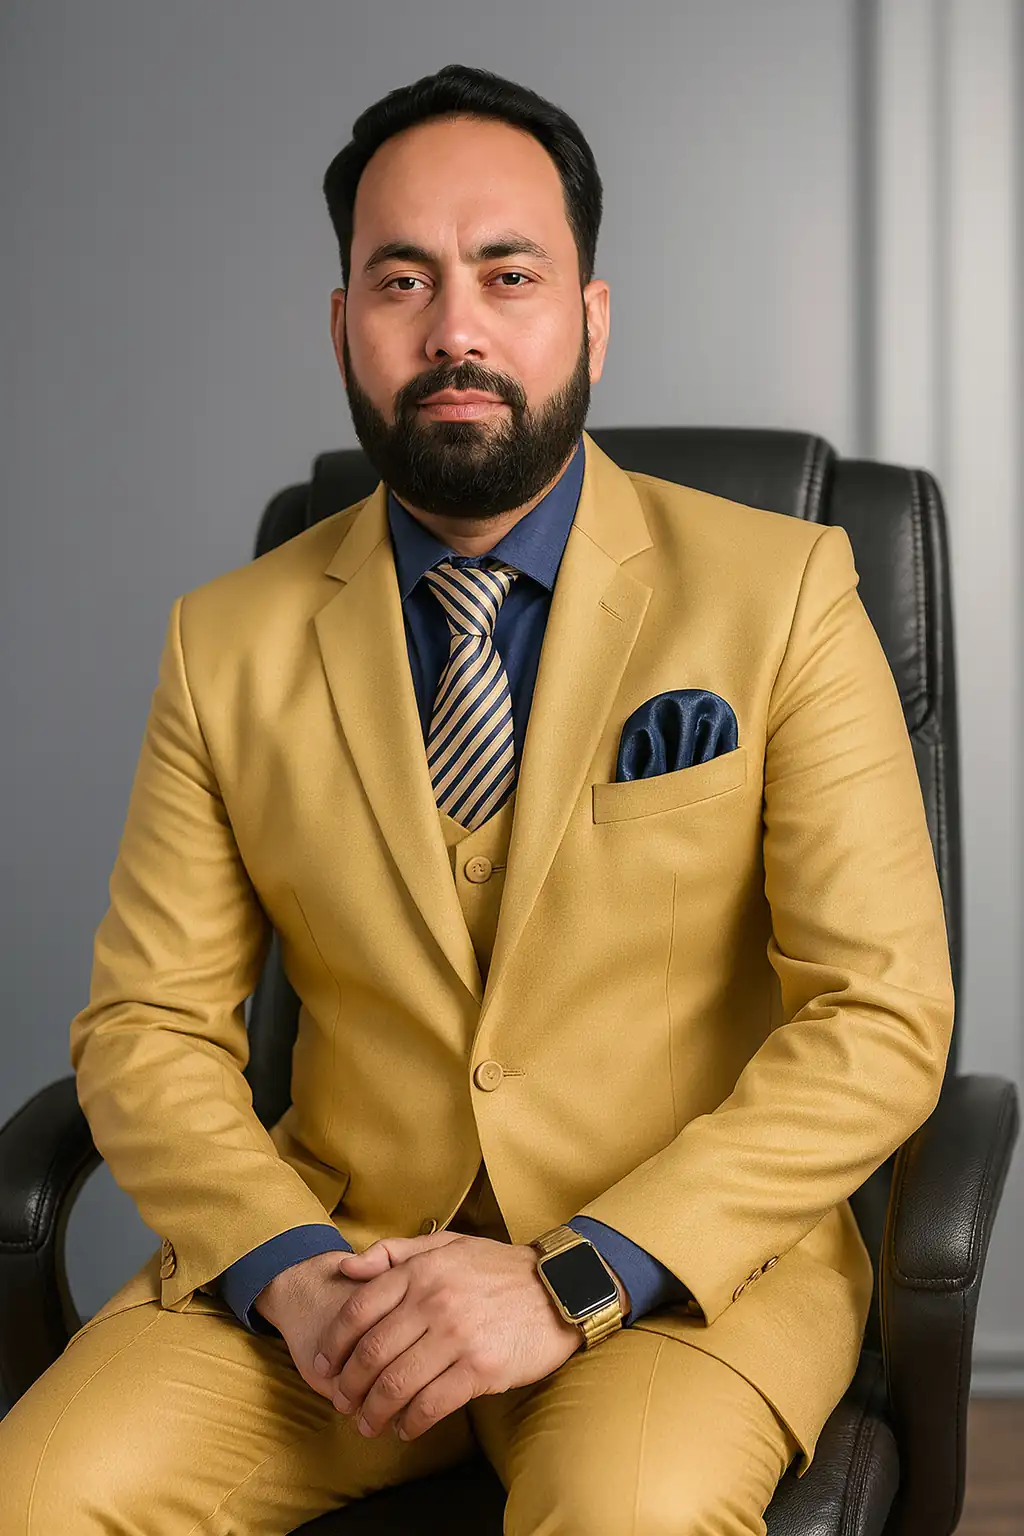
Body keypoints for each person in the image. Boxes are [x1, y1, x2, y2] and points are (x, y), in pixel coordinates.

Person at [0, 61, 954, 1535]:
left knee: (629, 1511)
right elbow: (147, 1024)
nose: (455, 329)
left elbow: (880, 1015)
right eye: (402, 281)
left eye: (510, 274)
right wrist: (286, 1269)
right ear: (344, 329)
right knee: (36, 1490)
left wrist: (584, 1273)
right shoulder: (225, 640)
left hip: (679, 1286)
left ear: (590, 316)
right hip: (340, 1287)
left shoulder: (787, 593)